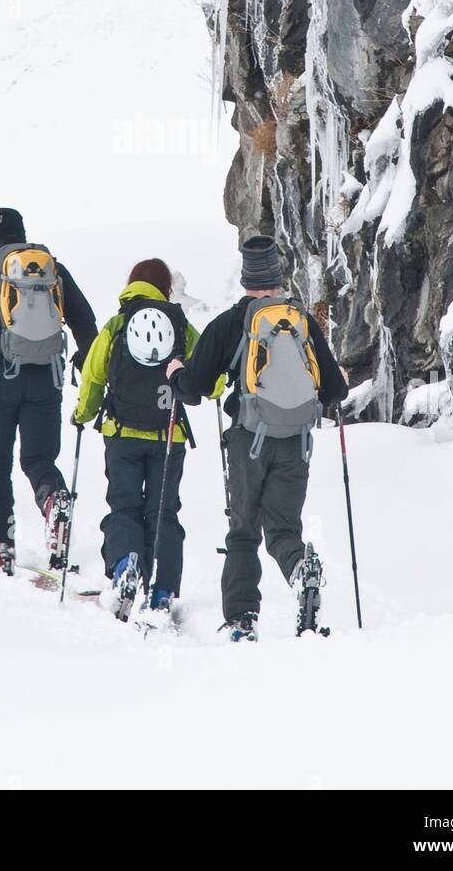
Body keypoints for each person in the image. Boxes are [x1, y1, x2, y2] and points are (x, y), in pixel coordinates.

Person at [167, 235, 349, 641]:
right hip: (297, 442)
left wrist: (176, 372)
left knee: (244, 531)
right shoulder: (301, 323)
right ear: (278, 278)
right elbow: (335, 391)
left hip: (248, 440)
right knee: (284, 530)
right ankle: (301, 571)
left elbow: (194, 389)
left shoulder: (231, 323)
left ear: (247, 278)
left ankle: (242, 620)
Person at [0, 207, 97, 576]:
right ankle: (52, 497)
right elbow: (84, 320)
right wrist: (87, 363)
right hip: (45, 376)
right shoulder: (51, 271)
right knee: (39, 459)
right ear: (23, 234)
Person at [73, 258, 224, 628]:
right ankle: (162, 592)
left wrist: (82, 414)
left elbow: (93, 375)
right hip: (167, 435)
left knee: (124, 507)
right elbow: (213, 380)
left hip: (121, 435)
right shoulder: (181, 326)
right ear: (164, 288)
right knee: (163, 511)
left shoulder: (116, 324)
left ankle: (126, 565)